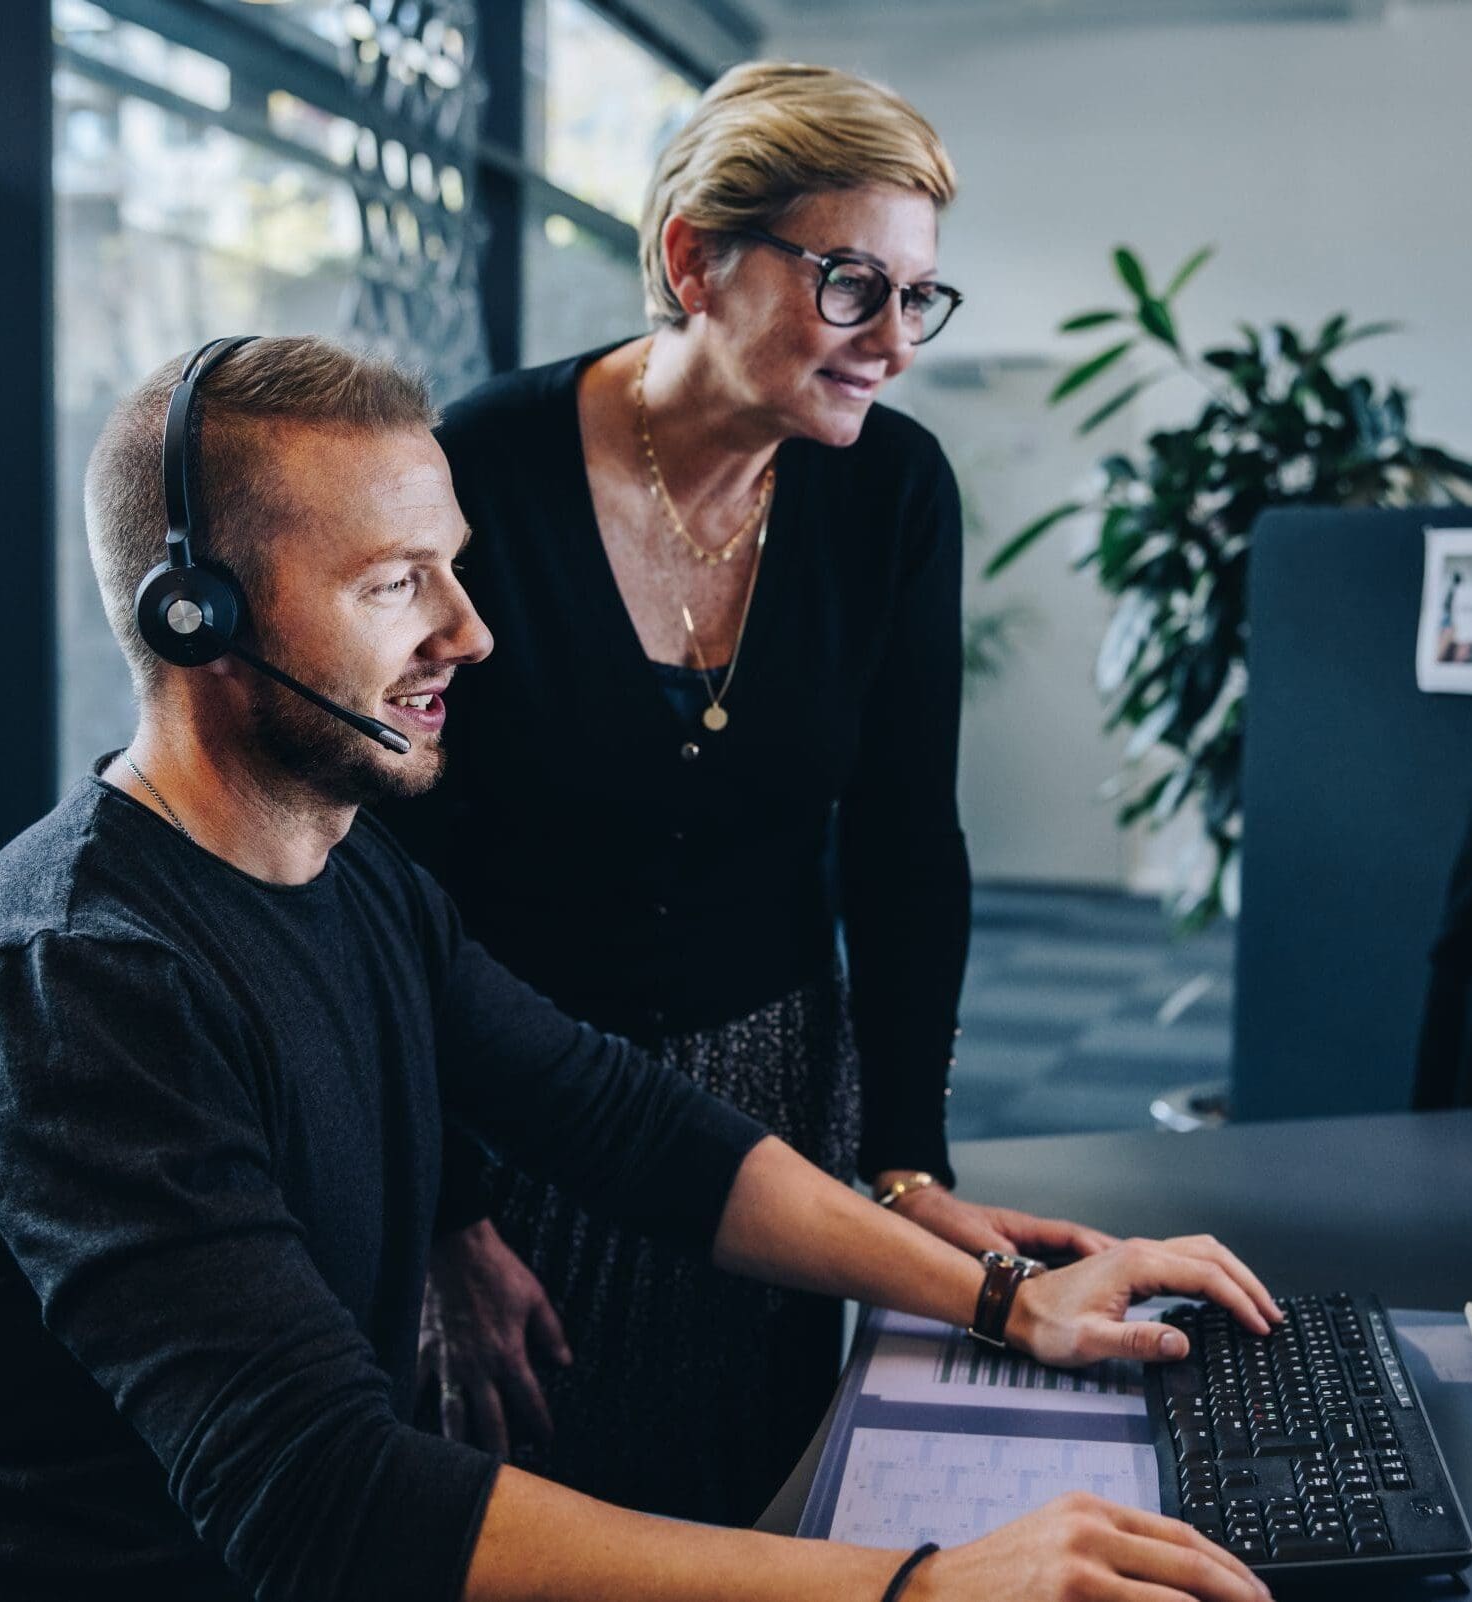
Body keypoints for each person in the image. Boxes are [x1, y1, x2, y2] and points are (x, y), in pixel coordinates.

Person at [0, 335, 1280, 1602]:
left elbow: (626, 1124)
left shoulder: (341, 862)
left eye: (454, 565)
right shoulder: (80, 982)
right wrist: (918, 1586)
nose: (468, 632)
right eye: (392, 583)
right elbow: (323, 1499)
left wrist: (996, 1294)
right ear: (201, 622)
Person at [381, 61, 1109, 1520]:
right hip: (512, 1113)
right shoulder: (481, 469)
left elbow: (906, 848)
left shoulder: (889, 487)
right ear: (690, 258)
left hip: (777, 1098)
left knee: (754, 1491)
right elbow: (397, 877)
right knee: (521, 1503)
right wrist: (441, 1213)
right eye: (853, 285)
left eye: (918, 295)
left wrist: (903, 1162)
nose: (893, 342)